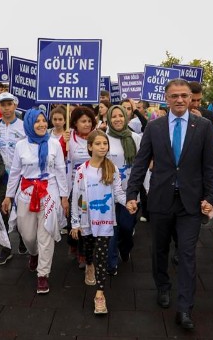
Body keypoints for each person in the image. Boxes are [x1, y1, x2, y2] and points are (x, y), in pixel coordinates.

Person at [126, 78, 213, 330]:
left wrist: (210, 198)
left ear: (191, 98)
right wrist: (131, 194)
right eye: (175, 95)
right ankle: (163, 286)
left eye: (184, 96)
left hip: (190, 203)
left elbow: (211, 167)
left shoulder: (203, 127)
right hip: (160, 199)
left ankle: (185, 308)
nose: (180, 100)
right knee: (159, 249)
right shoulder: (154, 127)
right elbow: (141, 162)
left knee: (188, 255)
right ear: (166, 99)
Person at [2, 109, 70, 294]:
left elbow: (61, 171)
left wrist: (64, 197)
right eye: (36, 121)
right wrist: (8, 196)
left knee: (46, 233)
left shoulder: (54, 144)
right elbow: (15, 172)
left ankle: (43, 274)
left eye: (43, 120)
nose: (41, 124)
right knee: (28, 235)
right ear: (29, 124)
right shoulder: (21, 146)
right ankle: (33, 253)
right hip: (26, 193)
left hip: (49, 192)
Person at [70, 130, 126, 315]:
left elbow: (118, 193)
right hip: (87, 220)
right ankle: (88, 264)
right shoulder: (82, 171)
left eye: (105, 144)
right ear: (90, 146)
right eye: (98, 144)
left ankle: (100, 295)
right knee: (89, 249)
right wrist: (75, 222)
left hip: (105, 221)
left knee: (102, 256)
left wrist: (130, 203)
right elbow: (76, 198)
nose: (103, 147)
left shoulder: (112, 169)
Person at [0, 92, 27, 263]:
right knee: (1, 213)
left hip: (21, 177)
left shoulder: (24, 126)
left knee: (23, 212)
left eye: (9, 104)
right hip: (0, 177)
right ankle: (5, 247)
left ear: (15, 105)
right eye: (3, 104)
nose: (6, 108)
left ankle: (24, 239)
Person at [105, 105, 142, 275]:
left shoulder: (135, 138)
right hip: (109, 193)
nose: (118, 119)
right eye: (114, 116)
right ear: (109, 119)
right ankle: (111, 263)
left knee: (127, 228)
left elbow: (141, 165)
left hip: (130, 192)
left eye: (121, 115)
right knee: (112, 229)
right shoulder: (103, 138)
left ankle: (125, 248)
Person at [66, 106, 98, 268]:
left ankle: (85, 252)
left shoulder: (97, 135)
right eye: (83, 121)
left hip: (94, 187)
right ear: (75, 123)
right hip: (74, 188)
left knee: (90, 221)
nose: (87, 124)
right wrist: (61, 141)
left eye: (89, 121)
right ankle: (77, 247)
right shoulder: (68, 137)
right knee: (75, 219)